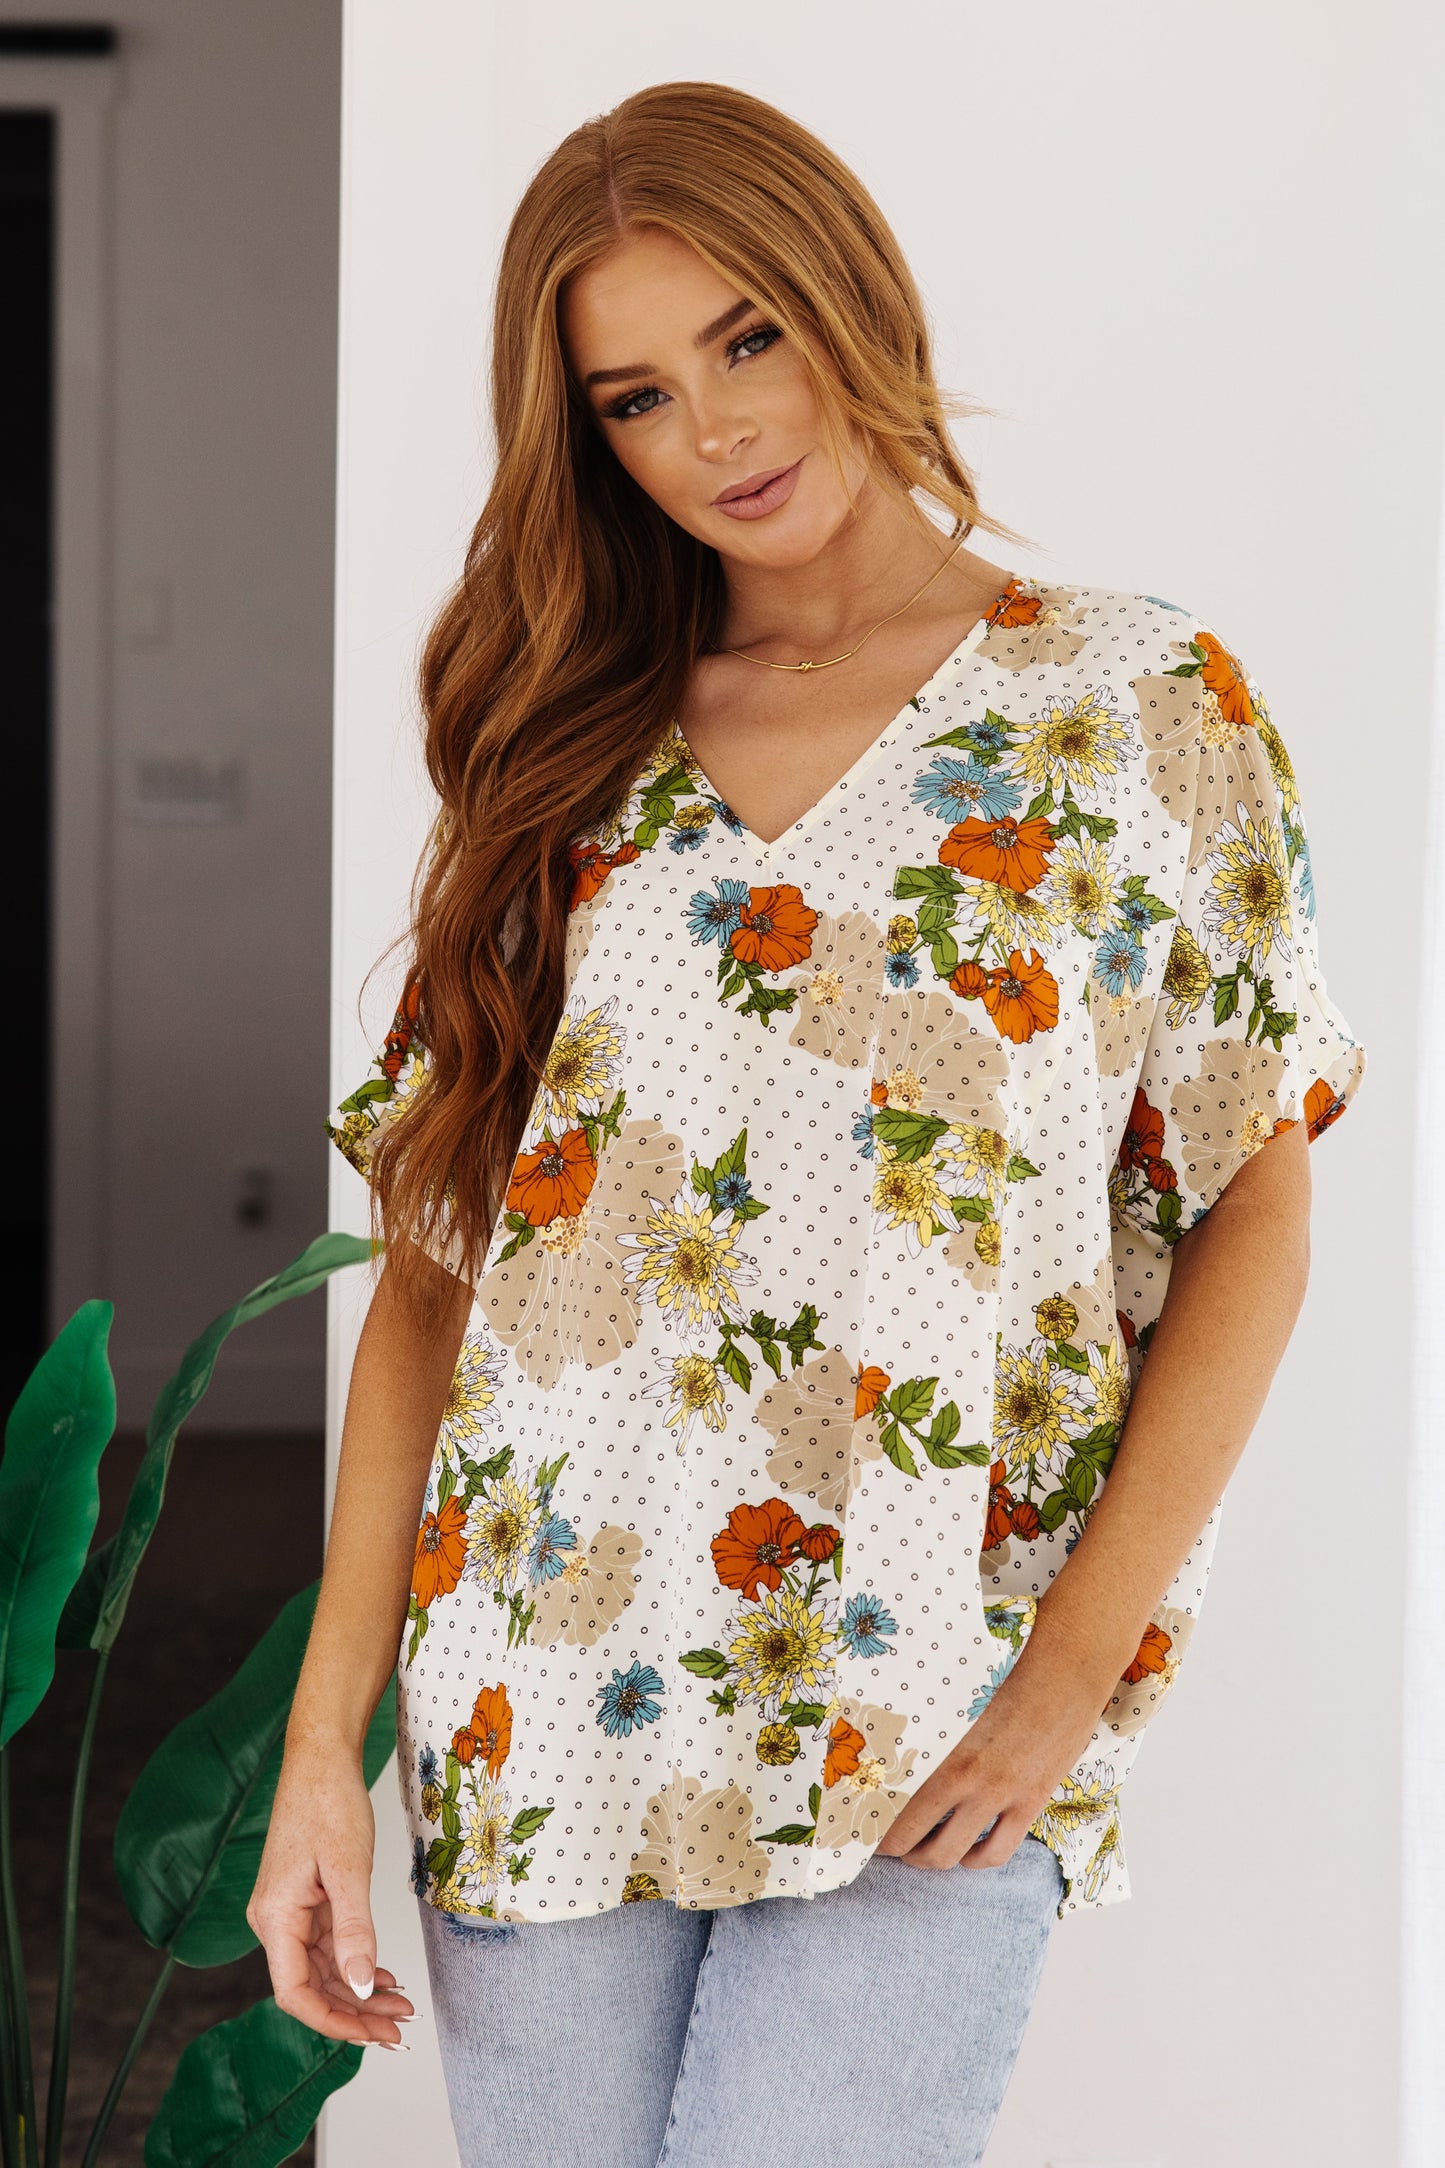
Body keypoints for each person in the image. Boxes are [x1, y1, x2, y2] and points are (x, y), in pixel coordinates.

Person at [248, 79, 1367, 2168]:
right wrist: (328, 1751)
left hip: (928, 1686)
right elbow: (437, 1274)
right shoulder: (563, 744)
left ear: (851, 292)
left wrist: (1065, 1680)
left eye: (747, 336)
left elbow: (1251, 1207)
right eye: (636, 396)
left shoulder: (1138, 706)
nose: (718, 429)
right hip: (542, 1690)